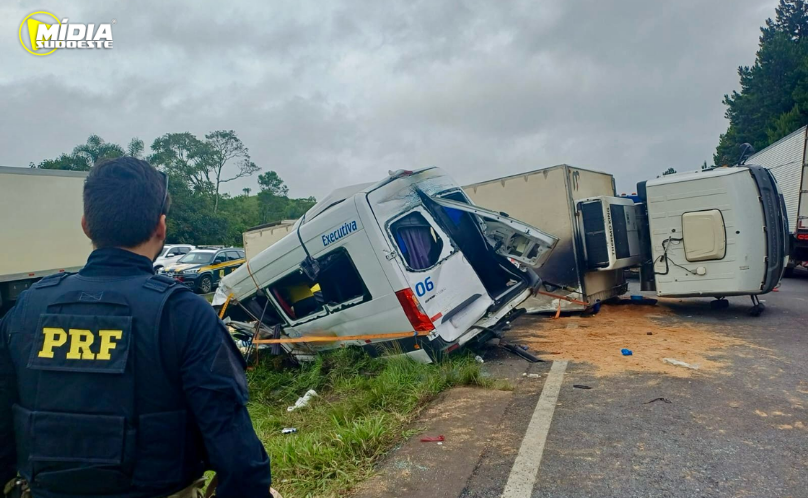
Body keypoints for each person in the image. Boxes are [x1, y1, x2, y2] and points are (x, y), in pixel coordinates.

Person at [0, 157, 272, 498]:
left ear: (86, 225)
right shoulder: (184, 313)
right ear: (161, 227)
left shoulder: (27, 308)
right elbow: (239, 456)